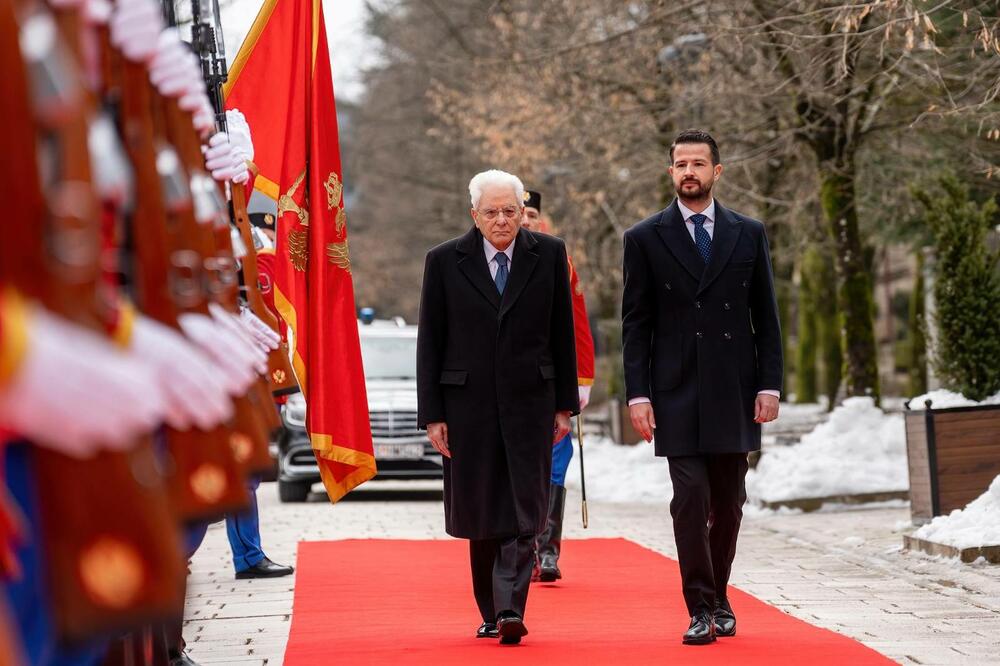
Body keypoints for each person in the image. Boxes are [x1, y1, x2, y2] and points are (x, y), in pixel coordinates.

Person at [621, 129, 782, 645]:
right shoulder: (644, 237)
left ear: (718, 171)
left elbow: (767, 318)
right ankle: (701, 607)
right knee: (689, 498)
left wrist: (770, 385)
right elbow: (635, 323)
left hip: (734, 388)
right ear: (670, 172)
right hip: (675, 390)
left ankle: (719, 594)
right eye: (680, 164)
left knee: (729, 502)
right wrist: (638, 394)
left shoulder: (748, 232)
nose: (689, 171)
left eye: (698, 163)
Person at [417, 170, 578, 645]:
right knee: (482, 509)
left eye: (511, 210)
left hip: (532, 400)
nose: (503, 220)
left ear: (522, 209)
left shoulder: (548, 255)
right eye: (492, 212)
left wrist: (565, 405)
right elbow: (431, 340)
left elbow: (561, 333)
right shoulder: (444, 261)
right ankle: (490, 609)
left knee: (527, 506)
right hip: (467, 406)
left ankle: (510, 607)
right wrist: (433, 414)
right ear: (475, 215)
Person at [520, 191, 596, 582]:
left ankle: (547, 551)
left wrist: (580, 379)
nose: (527, 220)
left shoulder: (558, 260)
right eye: (522, 213)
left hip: (552, 382)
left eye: (532, 213)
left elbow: (577, 322)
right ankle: (522, 549)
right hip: (513, 383)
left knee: (554, 466)